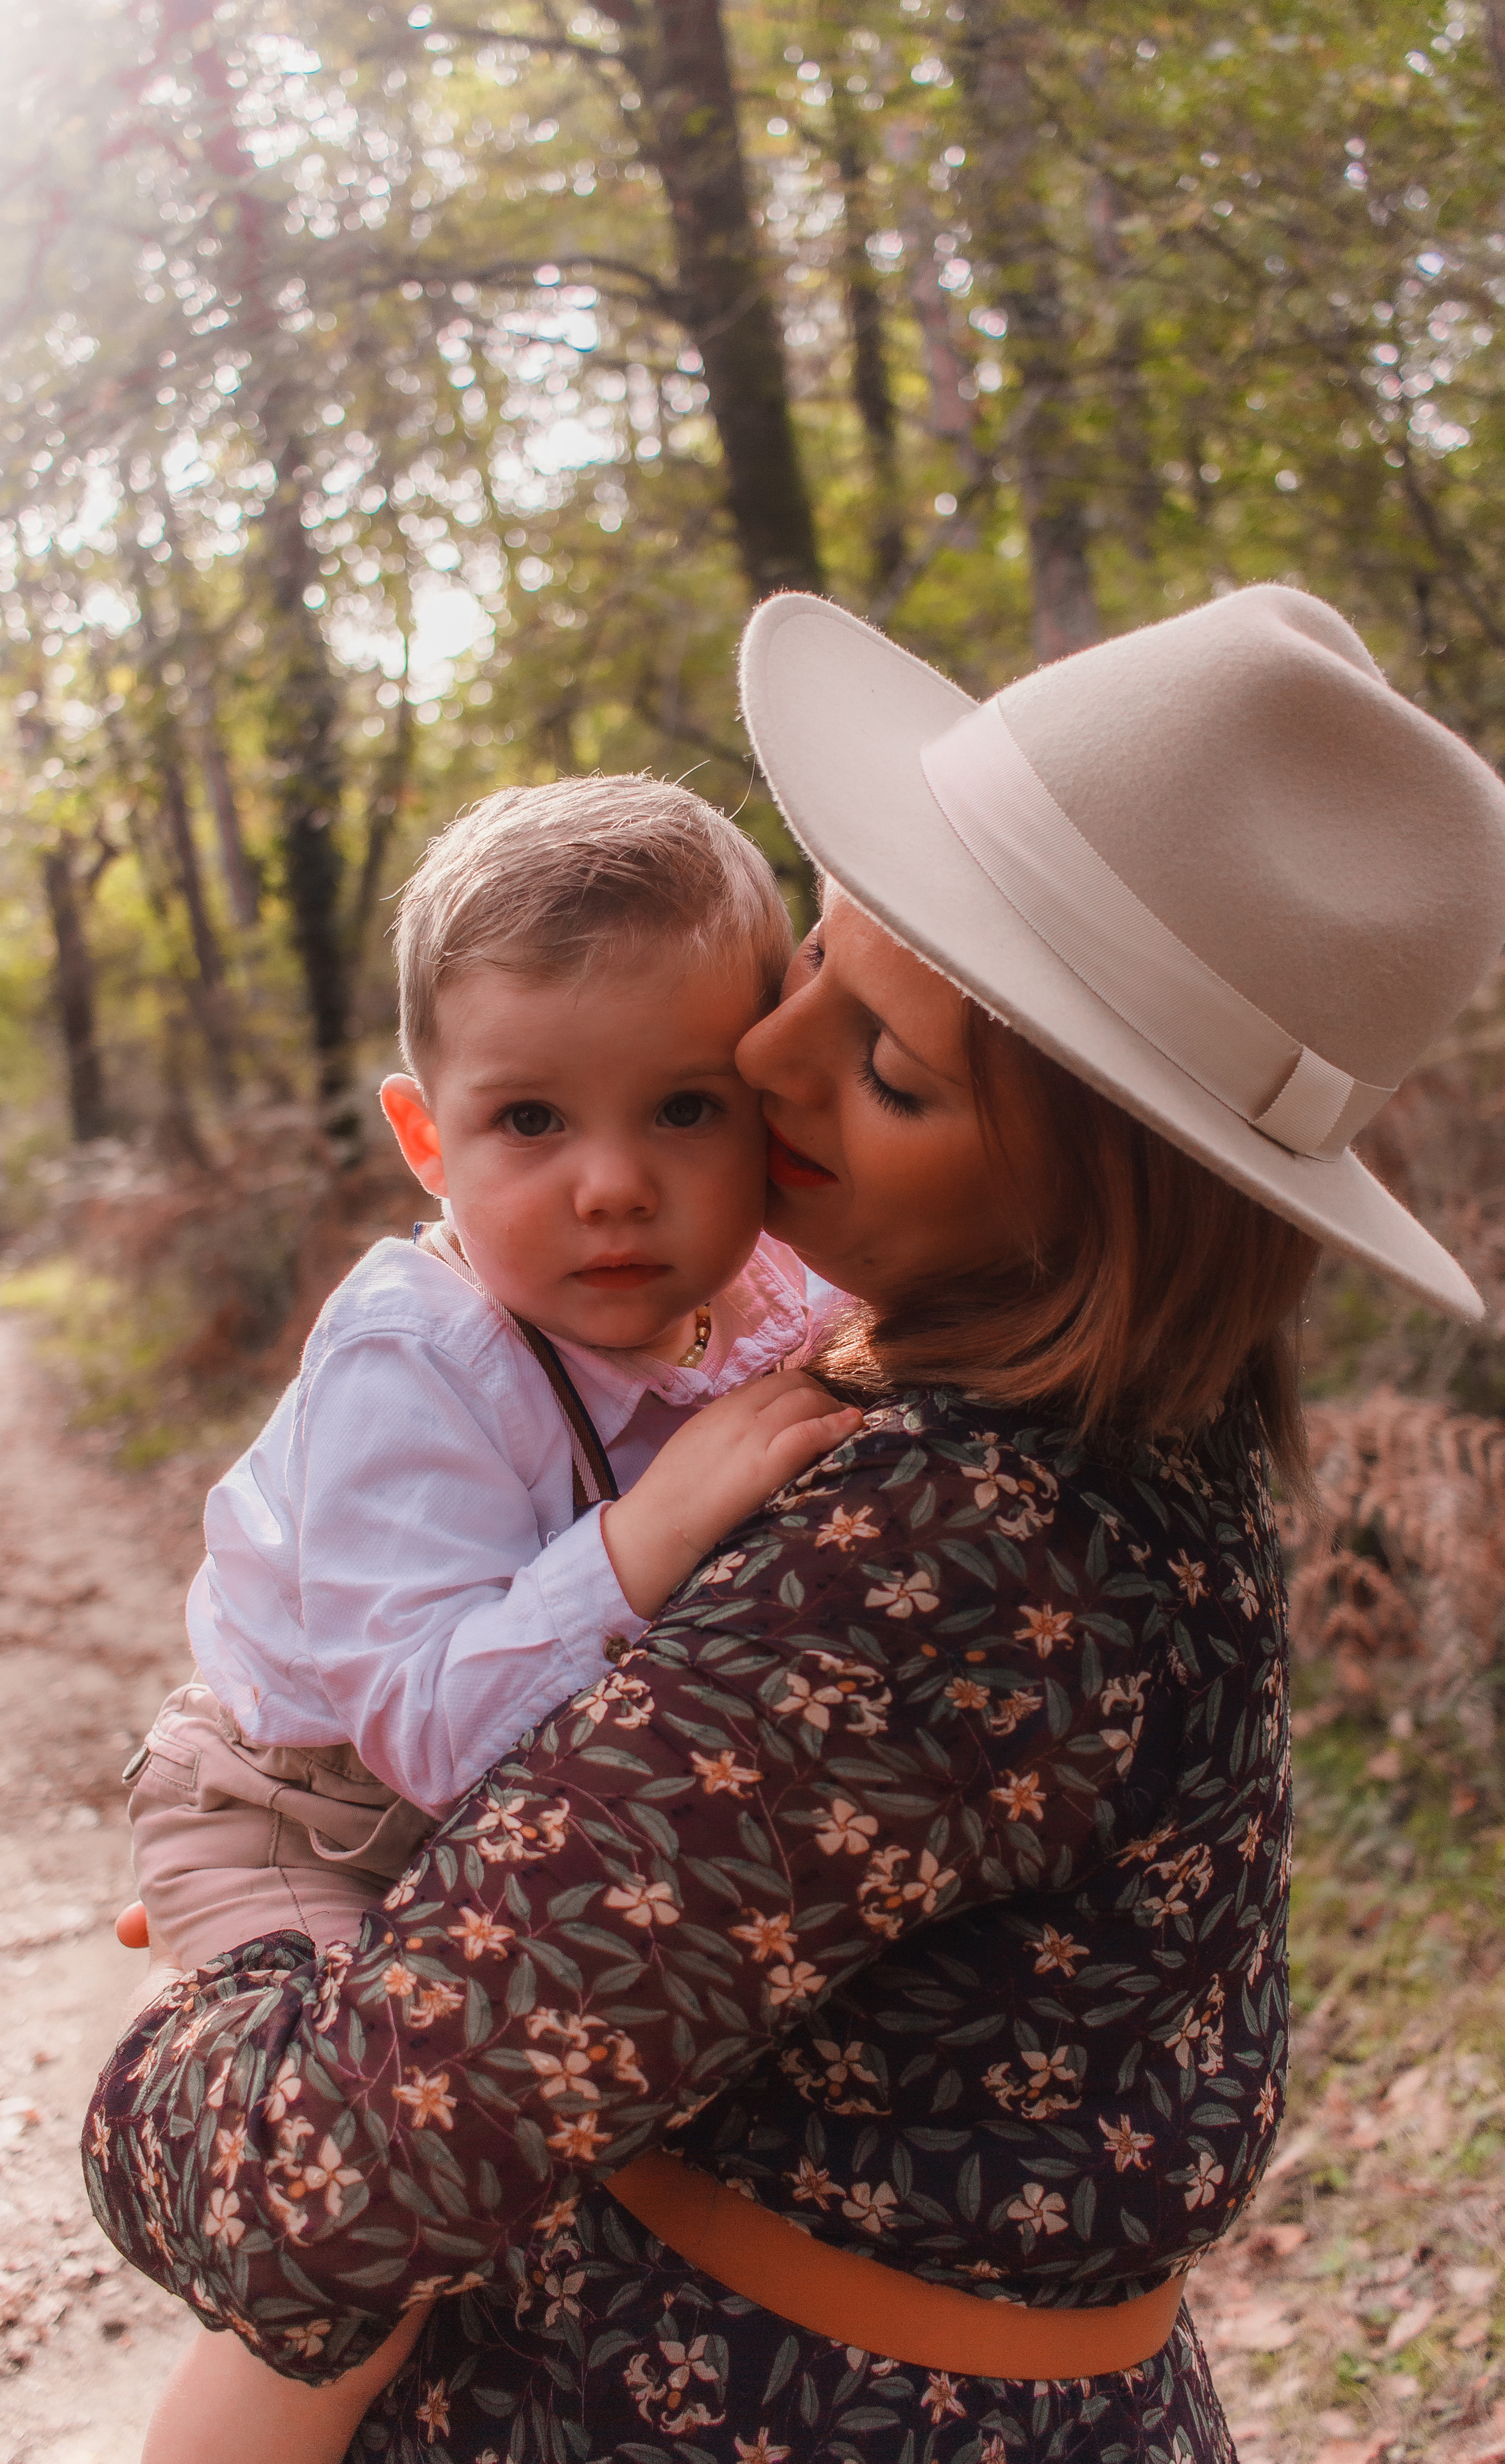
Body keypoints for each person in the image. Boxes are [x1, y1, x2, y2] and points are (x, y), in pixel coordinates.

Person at [86, 585, 1505, 2463]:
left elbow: (316, 2179)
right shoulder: (1074, 1421)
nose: (769, 1062)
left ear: (1111, 1181)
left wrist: (231, 1999)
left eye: (889, 1067)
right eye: (814, 968)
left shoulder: (953, 1555)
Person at [120, 776, 861, 2461]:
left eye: (685, 1108)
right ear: (428, 1135)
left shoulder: (754, 1291)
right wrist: (648, 1534)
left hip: (467, 1812)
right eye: (533, 1121)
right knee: (346, 2241)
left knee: (542, 2186)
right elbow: (433, 1727)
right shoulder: (422, 1356)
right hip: (296, 1811)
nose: (614, 1185)